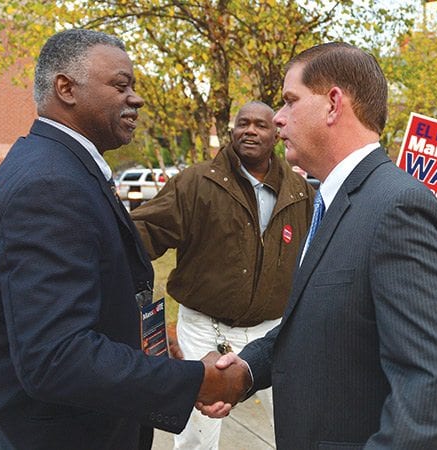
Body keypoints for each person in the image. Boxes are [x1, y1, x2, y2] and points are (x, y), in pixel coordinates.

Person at [0, 29, 248, 450]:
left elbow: (78, 297)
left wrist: (140, 338)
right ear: (66, 88)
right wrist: (196, 380)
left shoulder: (66, 167)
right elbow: (56, 357)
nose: (137, 99)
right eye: (120, 85)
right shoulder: (50, 183)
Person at [200, 42, 437, 449]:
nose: (278, 118)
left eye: (290, 101)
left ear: (332, 104)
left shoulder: (399, 207)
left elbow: (431, 382)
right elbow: (319, 325)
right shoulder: (328, 200)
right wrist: (247, 372)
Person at [131, 101, 314, 449]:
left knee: (296, 426)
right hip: (203, 328)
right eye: (242, 123)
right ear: (232, 131)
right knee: (196, 436)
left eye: (260, 125)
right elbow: (143, 234)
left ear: (276, 132)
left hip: (272, 333)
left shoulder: (299, 191)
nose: (250, 130)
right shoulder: (195, 183)